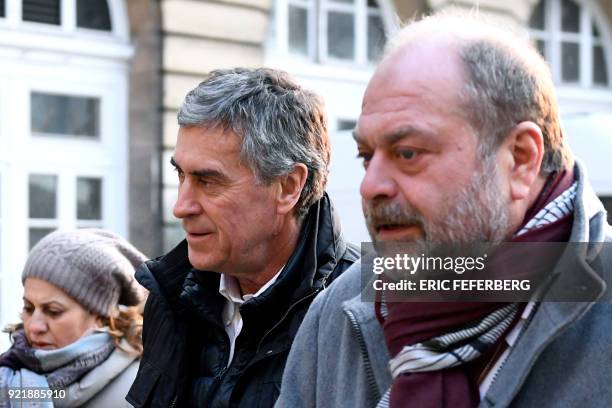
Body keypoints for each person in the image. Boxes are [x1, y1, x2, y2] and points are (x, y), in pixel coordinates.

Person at [276, 11, 612, 408]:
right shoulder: (336, 312)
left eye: (408, 153)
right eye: (367, 156)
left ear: (521, 159)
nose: (371, 185)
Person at [126, 68, 359, 407]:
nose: (181, 207)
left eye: (208, 181)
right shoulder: (170, 296)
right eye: (181, 175)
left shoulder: (363, 308)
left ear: (288, 187)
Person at [0, 229, 147, 407]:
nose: (33, 327)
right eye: (29, 308)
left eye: (54, 311)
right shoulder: (7, 376)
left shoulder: (141, 394)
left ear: (101, 317)